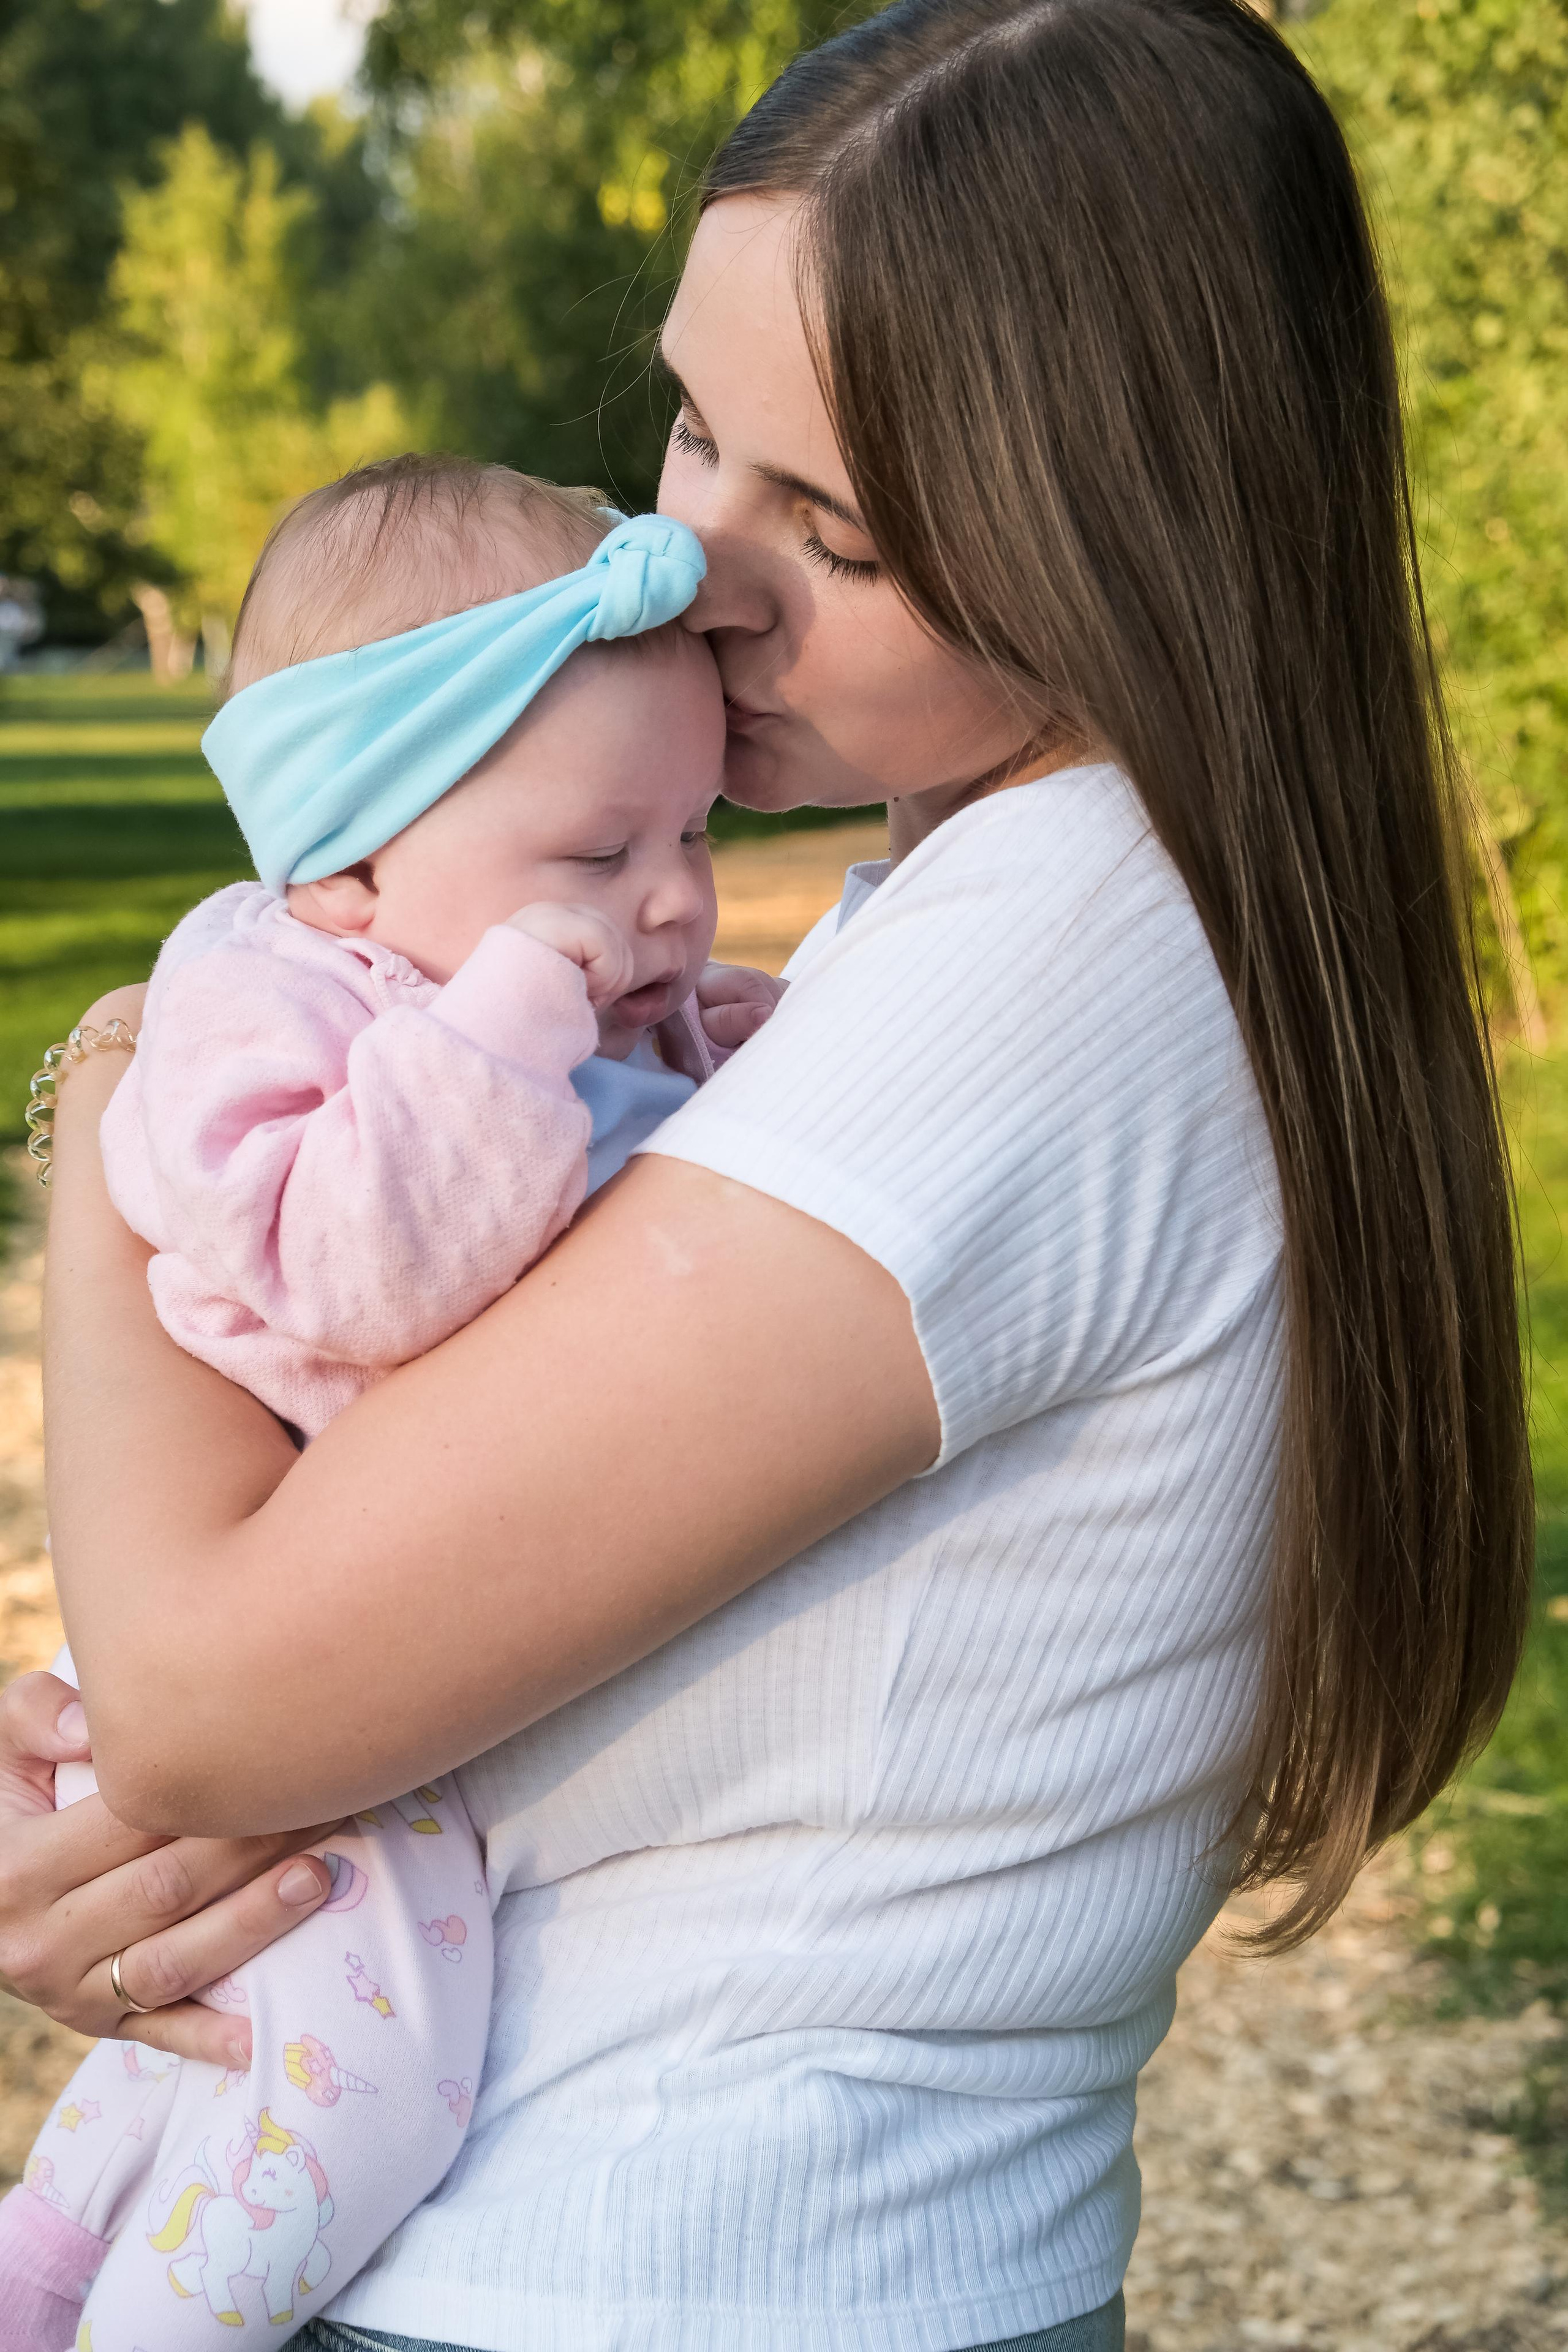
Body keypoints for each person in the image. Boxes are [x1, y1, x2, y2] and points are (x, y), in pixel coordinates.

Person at [0, 3, 1533, 2348]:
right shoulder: (1032, 894)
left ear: (1125, 527)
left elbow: (223, 1697)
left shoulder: (1044, 979)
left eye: (828, 522)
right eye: (697, 429)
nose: (680, 570)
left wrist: (117, 1088)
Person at [2, 464, 786, 2348]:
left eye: (686, 833)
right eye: (600, 857)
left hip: (372, 1649)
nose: (668, 902)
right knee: (360, 2089)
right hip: (331, 1679)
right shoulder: (269, 1006)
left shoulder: (497, 981)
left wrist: (713, 1037)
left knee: (205, 2058)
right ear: (349, 856)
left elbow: (647, 1143)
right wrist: (520, 1020)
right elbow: (368, 1270)